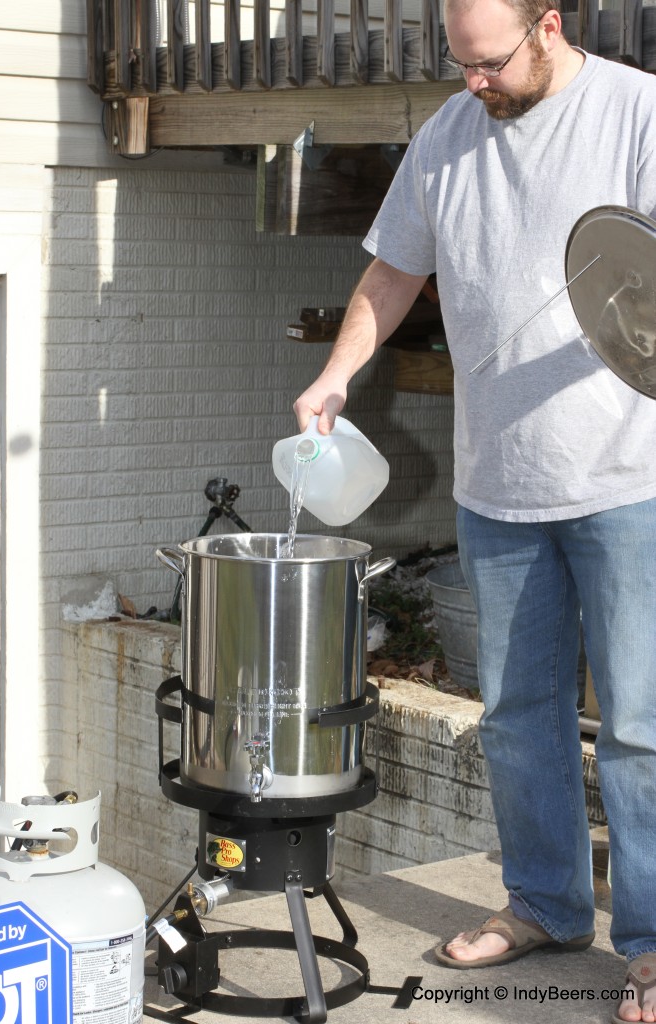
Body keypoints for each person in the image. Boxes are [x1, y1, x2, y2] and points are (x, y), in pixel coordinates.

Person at [292, 2, 656, 1021]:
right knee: (515, 717)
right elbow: (396, 267)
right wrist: (335, 377)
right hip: (498, 483)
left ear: (548, 24)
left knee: (638, 725)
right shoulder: (451, 136)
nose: (472, 85)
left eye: (488, 64)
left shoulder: (638, 115)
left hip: (631, 478)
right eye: (457, 65)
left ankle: (655, 941)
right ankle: (543, 901)